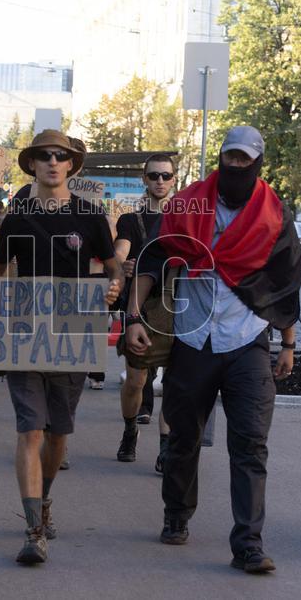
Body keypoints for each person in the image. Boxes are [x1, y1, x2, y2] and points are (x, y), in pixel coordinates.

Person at [126, 126, 301, 574]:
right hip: (193, 337)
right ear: (221, 158)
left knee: (250, 445)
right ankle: (177, 513)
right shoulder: (188, 204)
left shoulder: (273, 213)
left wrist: (288, 344)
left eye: (245, 160)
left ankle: (248, 544)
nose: (237, 166)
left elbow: (286, 281)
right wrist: (133, 317)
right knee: (183, 438)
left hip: (248, 341)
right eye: (231, 158)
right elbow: (153, 258)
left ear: (258, 162)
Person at [0, 129, 123, 565]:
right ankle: (33, 530)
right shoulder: (18, 216)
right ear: (32, 164)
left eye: (60, 156)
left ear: (70, 165)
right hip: (26, 328)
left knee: (58, 433)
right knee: (30, 429)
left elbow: (112, 264)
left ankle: (44, 499)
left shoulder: (89, 216)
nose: (51, 162)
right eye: (43, 156)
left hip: (73, 330)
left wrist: (111, 287)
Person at [113, 154, 176, 469]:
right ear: (145, 179)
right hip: (140, 308)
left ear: (174, 179)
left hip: (179, 307)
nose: (160, 182)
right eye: (154, 176)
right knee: (136, 380)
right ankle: (130, 429)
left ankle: (166, 448)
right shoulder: (130, 220)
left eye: (165, 176)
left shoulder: (185, 218)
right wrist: (121, 263)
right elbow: (121, 249)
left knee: (175, 383)